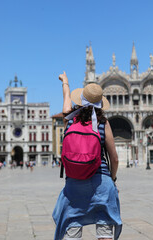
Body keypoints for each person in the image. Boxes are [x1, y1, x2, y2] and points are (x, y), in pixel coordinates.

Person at [52, 72, 122, 240]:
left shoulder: (69, 120)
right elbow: (114, 158)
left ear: (81, 100)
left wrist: (65, 82)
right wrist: (111, 178)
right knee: (104, 229)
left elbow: (66, 99)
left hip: (75, 183)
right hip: (102, 182)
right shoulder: (103, 123)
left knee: (72, 225)